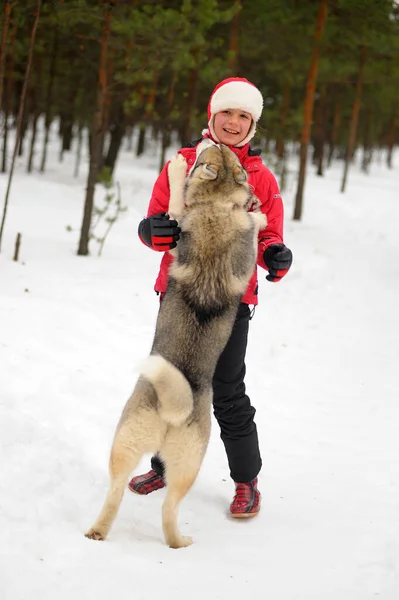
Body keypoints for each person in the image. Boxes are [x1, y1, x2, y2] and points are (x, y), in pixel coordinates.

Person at [129, 77, 293, 517]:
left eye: (244, 116)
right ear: (212, 115)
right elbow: (158, 220)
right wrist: (153, 232)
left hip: (232, 301)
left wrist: (275, 254)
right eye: (228, 113)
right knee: (171, 381)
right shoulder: (181, 164)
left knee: (225, 391)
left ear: (253, 125)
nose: (234, 122)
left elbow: (269, 234)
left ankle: (246, 481)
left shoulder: (260, 177)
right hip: (179, 293)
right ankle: (163, 466)